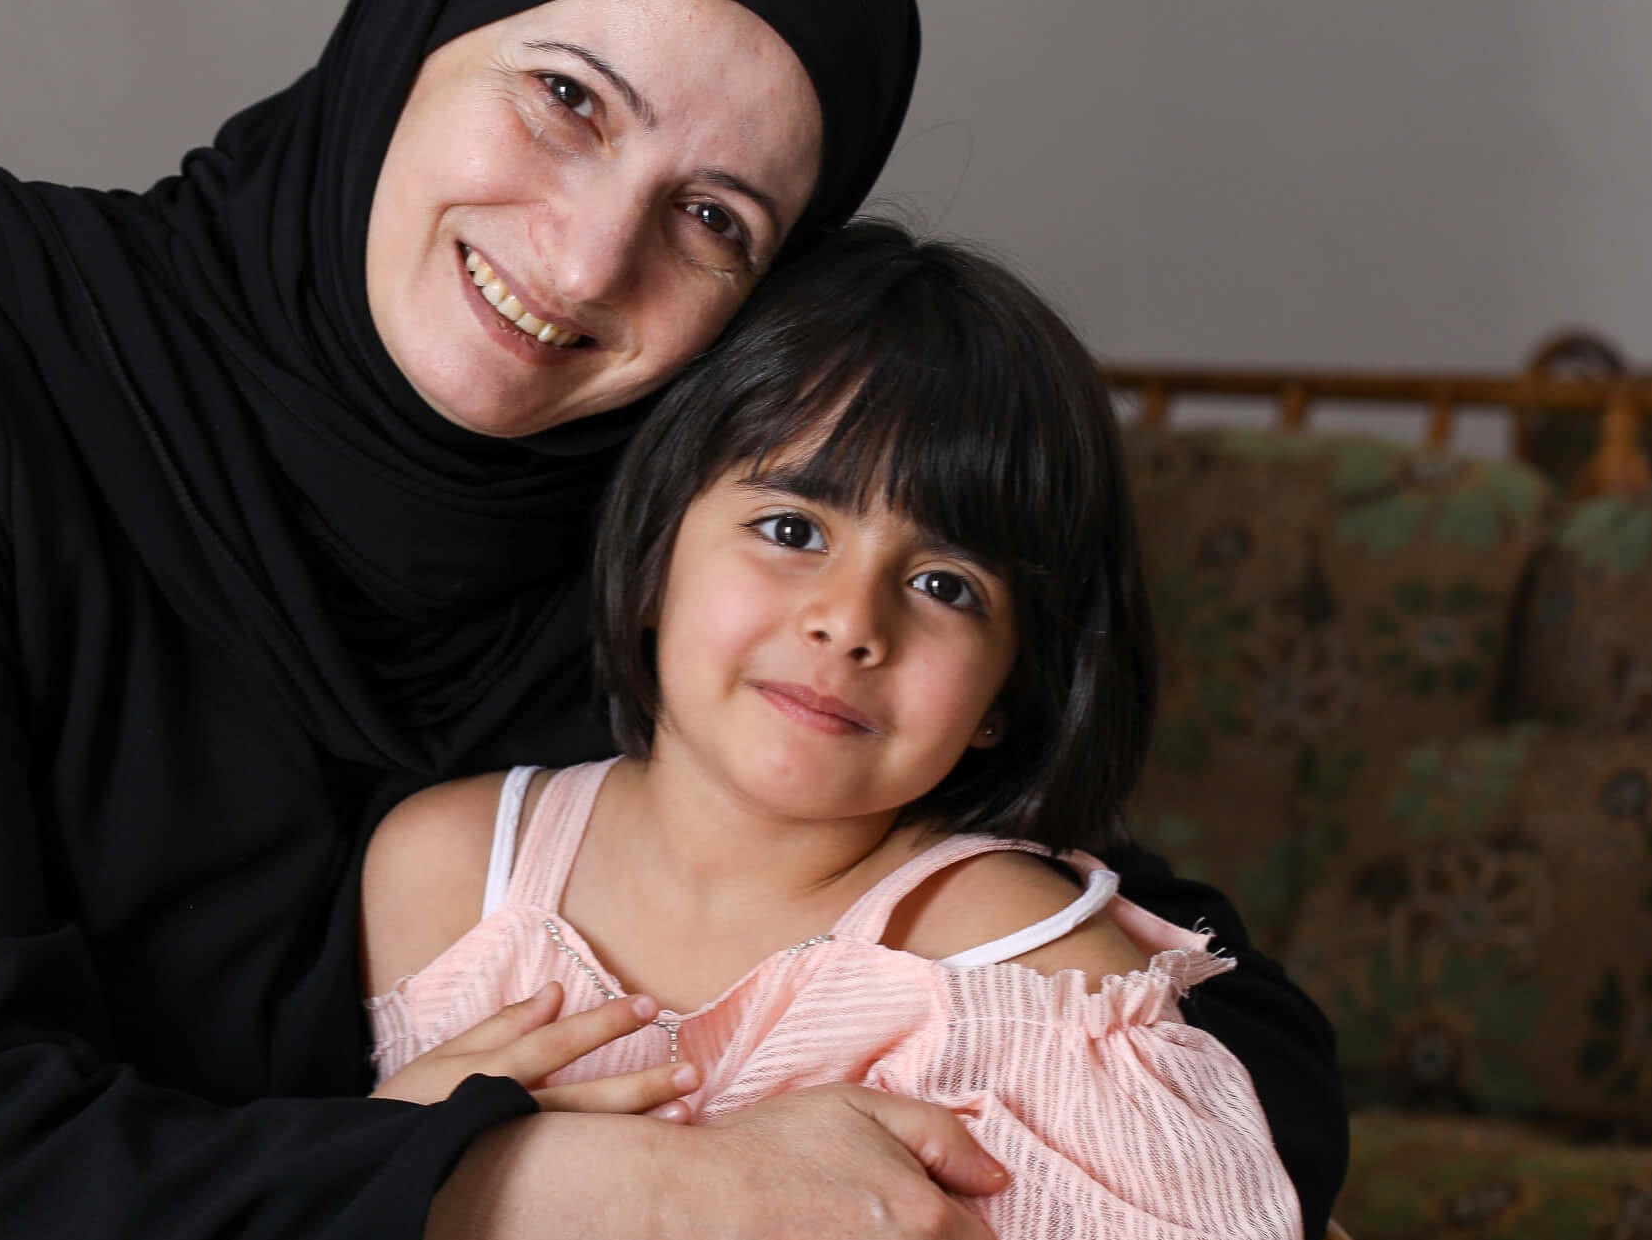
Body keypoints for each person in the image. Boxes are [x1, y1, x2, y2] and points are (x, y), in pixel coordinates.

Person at [0, 0, 1343, 1240]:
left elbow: (1207, 1022)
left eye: (717, 219)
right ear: (416, 31)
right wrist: (606, 1182)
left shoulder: (681, 543)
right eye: (568, 97)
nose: (588, 259)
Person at [363, 223, 1300, 1239]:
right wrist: (394, 1151)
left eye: (945, 585)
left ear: (1008, 692)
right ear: (652, 557)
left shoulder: (1025, 966)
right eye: (792, 529)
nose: (852, 623)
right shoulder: (447, 873)